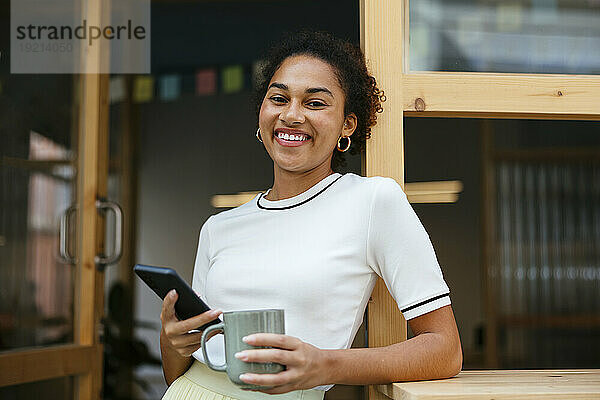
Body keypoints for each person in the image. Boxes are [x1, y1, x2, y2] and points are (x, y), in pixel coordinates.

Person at [159, 30, 463, 400]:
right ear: (262, 113)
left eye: (315, 103)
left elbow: (444, 350)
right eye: (278, 98)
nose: (291, 115)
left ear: (347, 125)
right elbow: (178, 375)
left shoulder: (372, 202)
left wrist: (326, 364)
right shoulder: (218, 228)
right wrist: (172, 340)